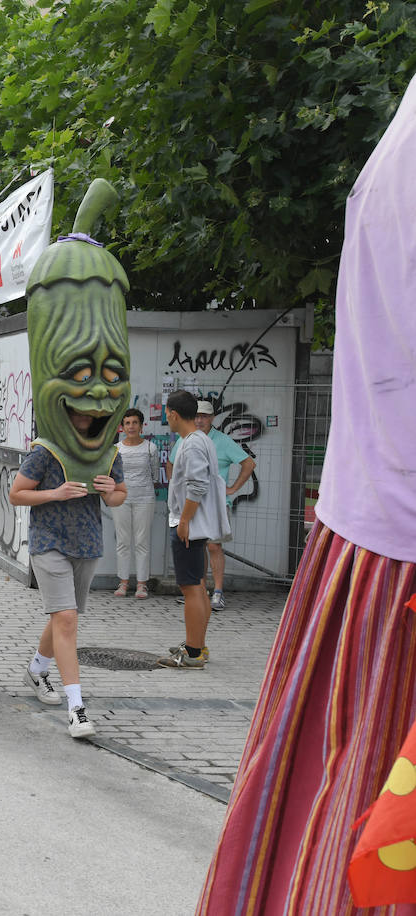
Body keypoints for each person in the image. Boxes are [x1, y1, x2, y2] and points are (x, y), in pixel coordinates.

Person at [198, 82, 416, 915]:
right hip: (380, 552)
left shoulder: (389, 157)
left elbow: (234, 470)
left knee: (319, 839)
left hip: (359, 562)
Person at [9, 431, 126, 739]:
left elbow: (119, 496)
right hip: (48, 543)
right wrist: (55, 493)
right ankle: (76, 709)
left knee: (65, 616)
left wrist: (112, 490)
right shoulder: (46, 451)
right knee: (66, 618)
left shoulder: (107, 453)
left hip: (87, 545)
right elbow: (16, 493)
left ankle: (36, 671)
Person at [156, 391, 230, 669]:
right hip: (193, 525)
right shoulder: (199, 439)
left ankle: (194, 653)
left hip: (189, 526)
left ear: (174, 414)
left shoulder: (192, 444)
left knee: (191, 590)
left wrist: (184, 520)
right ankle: (196, 643)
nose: (167, 418)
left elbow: (197, 485)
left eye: (167, 413)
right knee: (198, 586)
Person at [166, 399, 255, 610]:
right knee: (196, 548)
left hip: (213, 504)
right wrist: (175, 489)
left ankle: (218, 592)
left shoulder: (222, 440)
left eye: (204, 416)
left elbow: (249, 463)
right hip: (190, 504)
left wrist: (232, 488)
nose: (200, 420)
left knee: (214, 546)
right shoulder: (184, 439)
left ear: (212, 418)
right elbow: (170, 463)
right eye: (197, 416)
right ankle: (200, 590)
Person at [111, 408, 159, 599]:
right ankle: (123, 583)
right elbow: (113, 476)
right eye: (127, 423)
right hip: (121, 499)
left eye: (135, 423)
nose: (131, 427)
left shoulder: (150, 448)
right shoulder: (116, 449)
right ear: (122, 427)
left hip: (145, 498)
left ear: (141, 425)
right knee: (123, 541)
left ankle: (141, 585)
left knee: (142, 541)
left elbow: (155, 474)